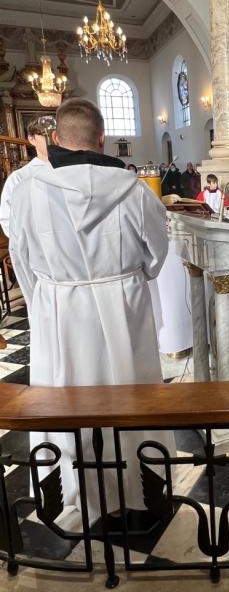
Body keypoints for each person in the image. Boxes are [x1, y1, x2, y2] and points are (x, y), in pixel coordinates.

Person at [9, 98, 172, 523]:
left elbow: (21, 257)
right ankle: (141, 492)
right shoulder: (133, 189)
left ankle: (69, 492)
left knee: (63, 398)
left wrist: (45, 297)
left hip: (58, 309)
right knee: (131, 394)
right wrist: (129, 280)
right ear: (102, 139)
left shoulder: (28, 190)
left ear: (55, 138)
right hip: (123, 305)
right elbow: (157, 253)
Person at [0, 115, 52, 236]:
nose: (52, 138)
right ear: (31, 139)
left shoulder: (71, 170)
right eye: (45, 134)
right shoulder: (19, 178)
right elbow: (8, 219)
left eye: (55, 133)